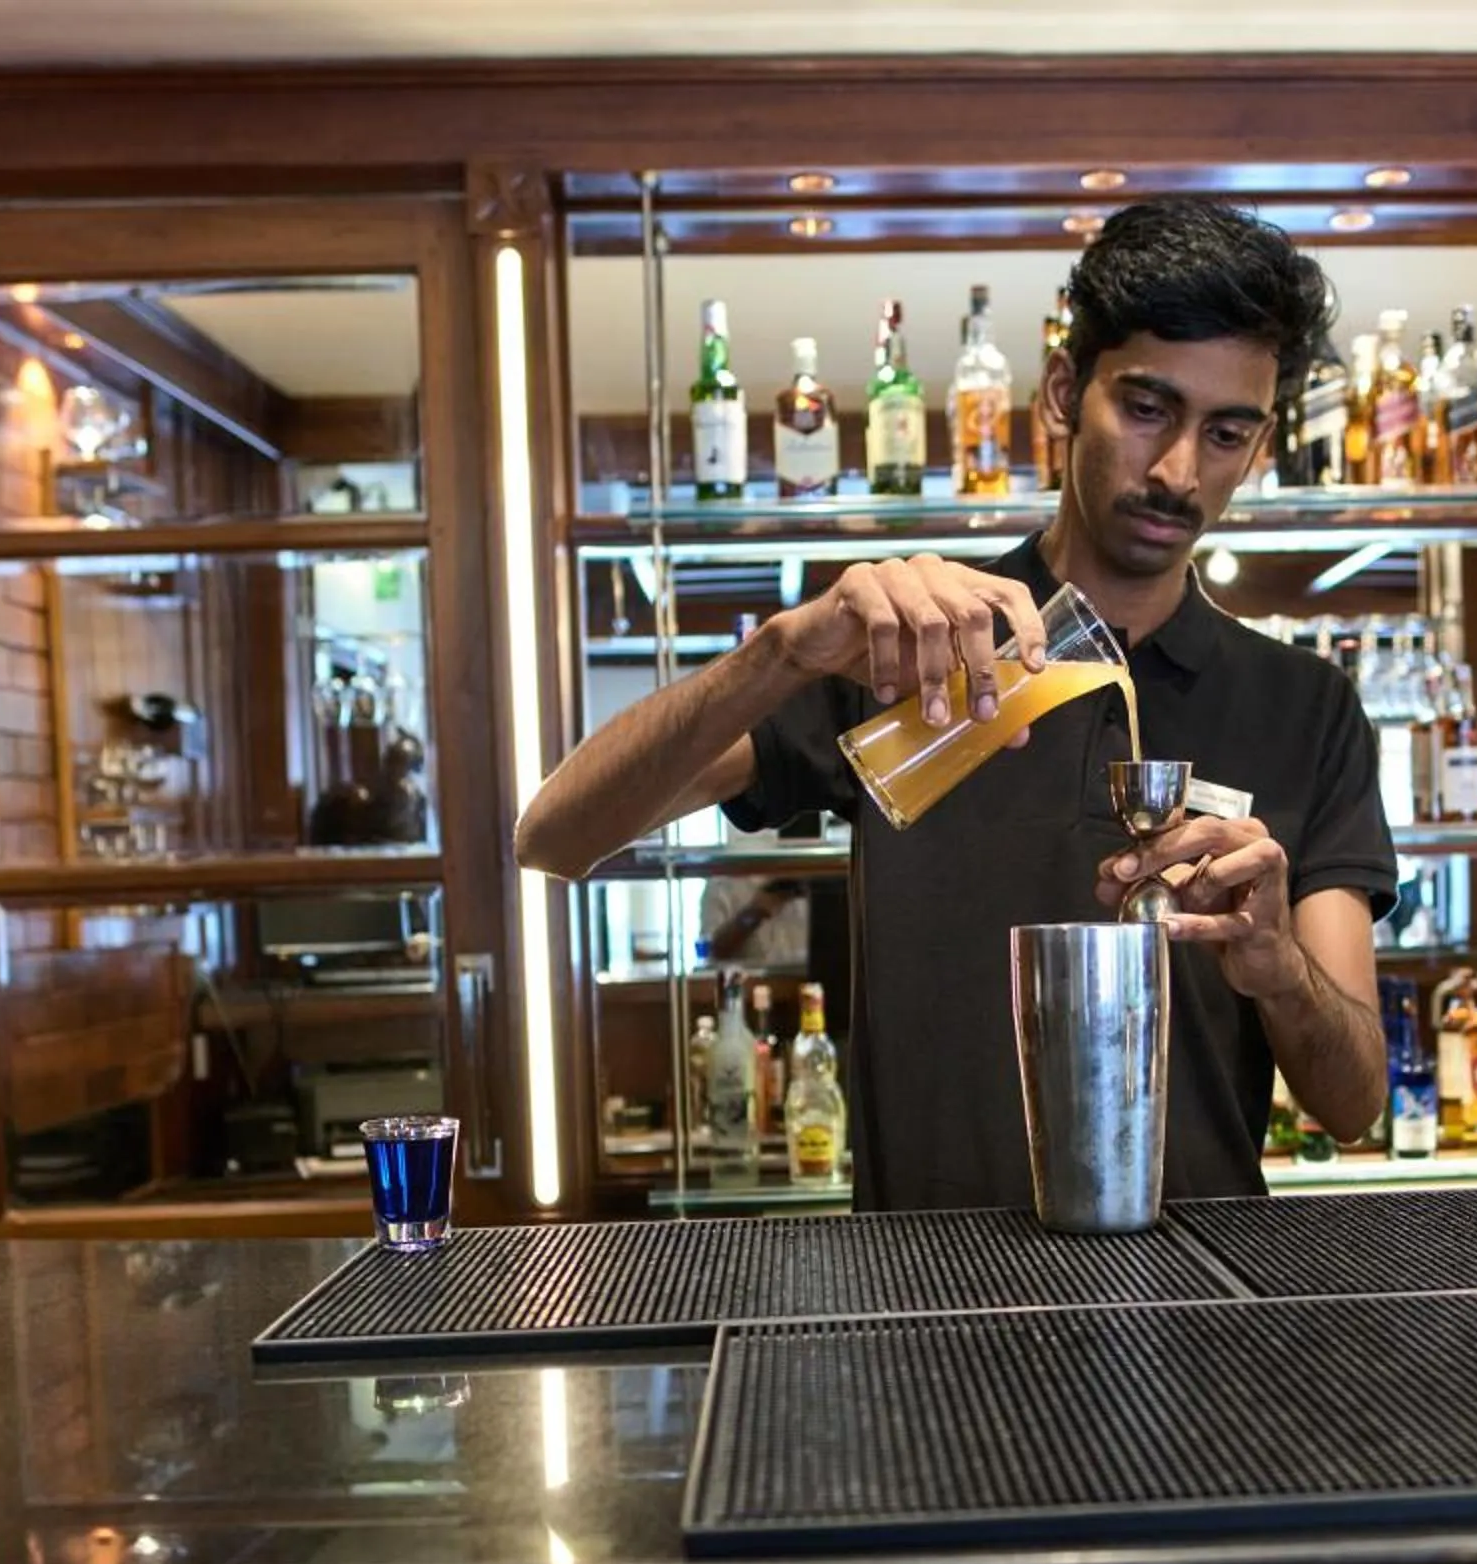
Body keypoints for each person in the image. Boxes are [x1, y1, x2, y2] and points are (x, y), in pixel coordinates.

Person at [518, 198, 1392, 1209]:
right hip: (921, 1296)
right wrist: (784, 652)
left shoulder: (1307, 706)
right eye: (1147, 407)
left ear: (1262, 441)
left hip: (1200, 1294)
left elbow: (1352, 1100)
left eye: (1226, 431)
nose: (1177, 471)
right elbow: (556, 833)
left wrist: (1277, 962)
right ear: (1065, 391)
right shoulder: (911, 641)